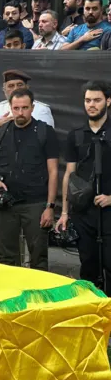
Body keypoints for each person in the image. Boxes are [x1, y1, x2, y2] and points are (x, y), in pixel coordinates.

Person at [0, 89, 59, 271]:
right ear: (10, 108)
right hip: (6, 204)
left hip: (35, 204)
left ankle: (37, 298)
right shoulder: (1, 132)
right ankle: (10, 297)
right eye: (16, 108)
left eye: (25, 108)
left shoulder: (45, 132)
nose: (20, 112)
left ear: (32, 107)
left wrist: (50, 207)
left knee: (38, 259)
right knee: (6, 259)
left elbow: (53, 172)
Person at [56, 81, 111, 294]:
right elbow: (69, 174)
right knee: (88, 266)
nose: (91, 105)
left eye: (97, 100)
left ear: (108, 101)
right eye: (88, 100)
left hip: (109, 212)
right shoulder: (75, 135)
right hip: (83, 213)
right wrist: (64, 212)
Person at [0, 70, 54, 192]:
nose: (15, 89)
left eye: (19, 85)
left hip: (30, 176)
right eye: (10, 86)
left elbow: (47, 144)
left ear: (27, 88)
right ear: (4, 90)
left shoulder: (41, 110)